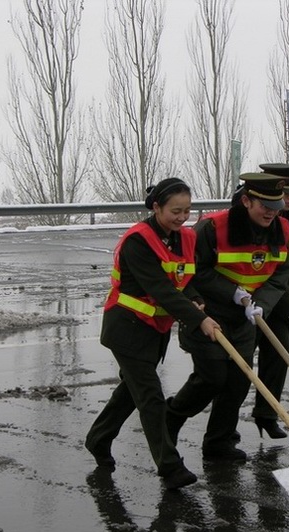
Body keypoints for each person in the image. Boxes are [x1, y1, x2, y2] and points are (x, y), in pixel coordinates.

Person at [84, 177, 220, 489]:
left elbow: (184, 280)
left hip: (156, 329)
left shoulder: (185, 238)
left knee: (130, 392)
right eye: (175, 211)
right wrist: (199, 319)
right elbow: (161, 289)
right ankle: (170, 467)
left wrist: (196, 299)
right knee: (150, 396)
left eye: (187, 210)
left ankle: (98, 438)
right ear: (156, 207)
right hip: (127, 329)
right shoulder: (138, 241)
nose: (182, 217)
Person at [165, 172, 289, 462]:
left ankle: (218, 442)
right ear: (246, 201)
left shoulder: (281, 228)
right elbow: (192, 270)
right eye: (265, 206)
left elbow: (280, 273)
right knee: (212, 377)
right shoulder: (213, 227)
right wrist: (233, 292)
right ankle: (172, 415)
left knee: (239, 379)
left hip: (245, 316)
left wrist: (262, 304)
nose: (271, 212)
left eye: (276, 206)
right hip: (208, 312)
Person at [250, 163, 289, 439]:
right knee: (234, 366)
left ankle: (267, 414)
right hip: (249, 300)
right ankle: (222, 431)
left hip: (278, 299)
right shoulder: (255, 217)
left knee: (280, 350)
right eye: (286, 194)